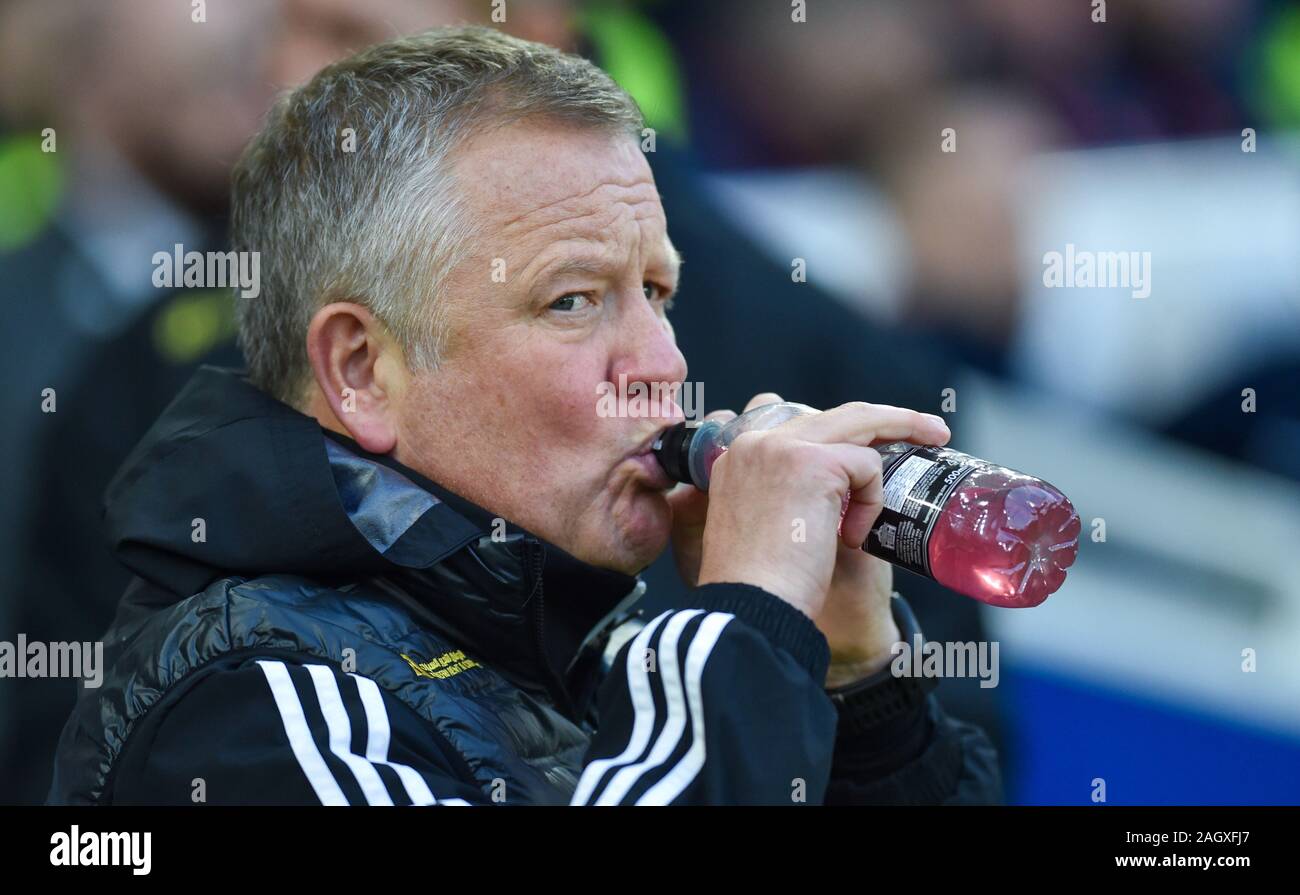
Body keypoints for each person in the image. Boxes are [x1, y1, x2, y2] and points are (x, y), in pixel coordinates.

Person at [49, 26, 1000, 805]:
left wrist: (861, 698)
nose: (664, 363)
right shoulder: (250, 706)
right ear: (360, 369)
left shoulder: (592, 648)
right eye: (572, 301)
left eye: (657, 293)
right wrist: (746, 625)